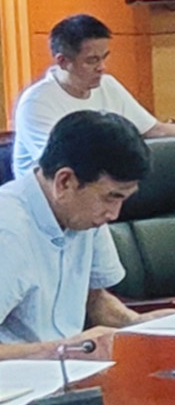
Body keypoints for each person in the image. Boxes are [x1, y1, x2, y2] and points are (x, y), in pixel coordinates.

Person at [11, 14, 175, 178]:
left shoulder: (108, 85)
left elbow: (153, 130)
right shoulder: (37, 102)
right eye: (92, 60)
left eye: (105, 58)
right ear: (63, 61)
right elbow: (59, 164)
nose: (102, 67)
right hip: (50, 204)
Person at [0, 111, 149, 359]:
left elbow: (95, 300)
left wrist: (142, 325)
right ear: (65, 182)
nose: (114, 214)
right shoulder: (7, 229)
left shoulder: (83, 215)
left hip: (67, 371)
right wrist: (63, 350)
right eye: (111, 197)